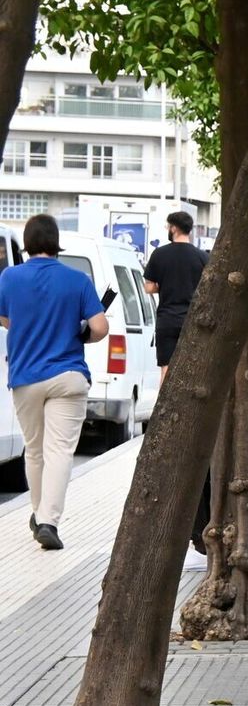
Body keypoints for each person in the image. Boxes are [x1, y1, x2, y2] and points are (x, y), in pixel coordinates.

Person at [0, 214, 109, 550]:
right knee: (60, 450)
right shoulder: (77, 280)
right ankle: (48, 521)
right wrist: (82, 334)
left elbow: (5, 318)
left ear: (28, 243)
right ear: (56, 242)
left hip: (26, 377)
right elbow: (100, 327)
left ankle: (39, 514)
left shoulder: (10, 277)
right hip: (68, 376)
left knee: (34, 450)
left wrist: (24, 326)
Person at [143, 210, 207, 379]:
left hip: (167, 320)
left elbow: (148, 287)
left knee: (167, 370)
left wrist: (164, 286)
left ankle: (164, 398)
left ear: (174, 228)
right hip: (193, 320)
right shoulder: (202, 257)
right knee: (192, 371)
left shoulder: (159, 254)